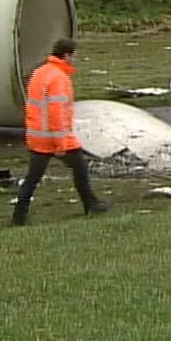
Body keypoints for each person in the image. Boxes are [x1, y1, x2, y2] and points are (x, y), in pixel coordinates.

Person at [13, 37, 110, 226]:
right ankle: (91, 204)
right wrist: (60, 144)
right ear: (66, 56)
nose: (75, 59)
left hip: (37, 136)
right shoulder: (58, 78)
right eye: (74, 56)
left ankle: (19, 216)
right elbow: (56, 113)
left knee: (32, 178)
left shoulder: (40, 72)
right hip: (53, 137)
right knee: (79, 168)